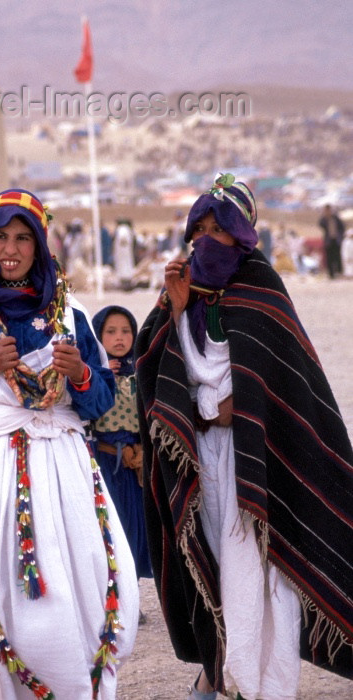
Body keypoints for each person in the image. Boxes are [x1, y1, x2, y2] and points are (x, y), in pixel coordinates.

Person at [135, 173, 353, 700]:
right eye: (199, 230)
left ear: (244, 234)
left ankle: (265, 686)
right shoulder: (179, 293)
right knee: (215, 567)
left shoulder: (264, 292)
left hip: (261, 463)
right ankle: (220, 676)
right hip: (205, 462)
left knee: (267, 575)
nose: (206, 240)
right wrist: (179, 308)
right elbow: (153, 373)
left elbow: (290, 388)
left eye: (219, 228)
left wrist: (246, 409)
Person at [0, 189, 139, 700]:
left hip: (63, 472)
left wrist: (82, 374)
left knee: (73, 593)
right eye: (0, 237)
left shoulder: (70, 314)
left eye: (23, 238)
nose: (11, 249)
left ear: (40, 244)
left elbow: (101, 401)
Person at [91, 306, 153, 622]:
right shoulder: (92, 373)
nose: (119, 338)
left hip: (136, 468)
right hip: (105, 465)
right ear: (98, 336)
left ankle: (130, 600)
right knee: (107, 531)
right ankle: (108, 601)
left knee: (135, 531)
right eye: (111, 332)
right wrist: (100, 376)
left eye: (126, 331)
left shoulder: (142, 370)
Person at [318, 203, 345, 278]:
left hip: (336, 240)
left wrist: (340, 236)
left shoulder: (335, 218)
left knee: (337, 256)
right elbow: (320, 224)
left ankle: (339, 272)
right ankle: (331, 274)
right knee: (329, 257)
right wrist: (324, 216)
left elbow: (342, 227)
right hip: (328, 241)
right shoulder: (324, 219)